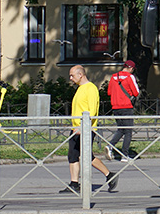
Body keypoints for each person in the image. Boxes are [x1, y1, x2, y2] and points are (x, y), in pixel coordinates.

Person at [60, 65, 117, 194]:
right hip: (76, 129)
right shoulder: (80, 89)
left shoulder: (91, 89)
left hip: (86, 128)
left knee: (86, 156)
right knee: (73, 155)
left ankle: (110, 175)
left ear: (81, 75)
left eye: (72, 75)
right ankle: (74, 184)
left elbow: (92, 110)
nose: (70, 78)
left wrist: (84, 126)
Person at [107, 60, 140, 161]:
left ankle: (110, 146)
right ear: (131, 68)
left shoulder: (113, 77)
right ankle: (125, 155)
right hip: (126, 106)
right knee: (128, 131)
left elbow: (109, 92)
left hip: (115, 107)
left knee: (121, 129)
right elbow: (136, 92)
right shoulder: (130, 77)